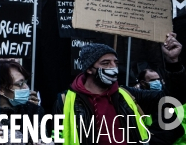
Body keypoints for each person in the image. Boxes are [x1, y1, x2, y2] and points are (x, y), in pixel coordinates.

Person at [54, 34, 186, 145]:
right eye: (106, 63)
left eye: (115, 63)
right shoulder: (66, 101)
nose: (113, 68)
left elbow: (173, 99)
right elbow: (57, 137)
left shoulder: (128, 96)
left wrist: (172, 62)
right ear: (89, 69)